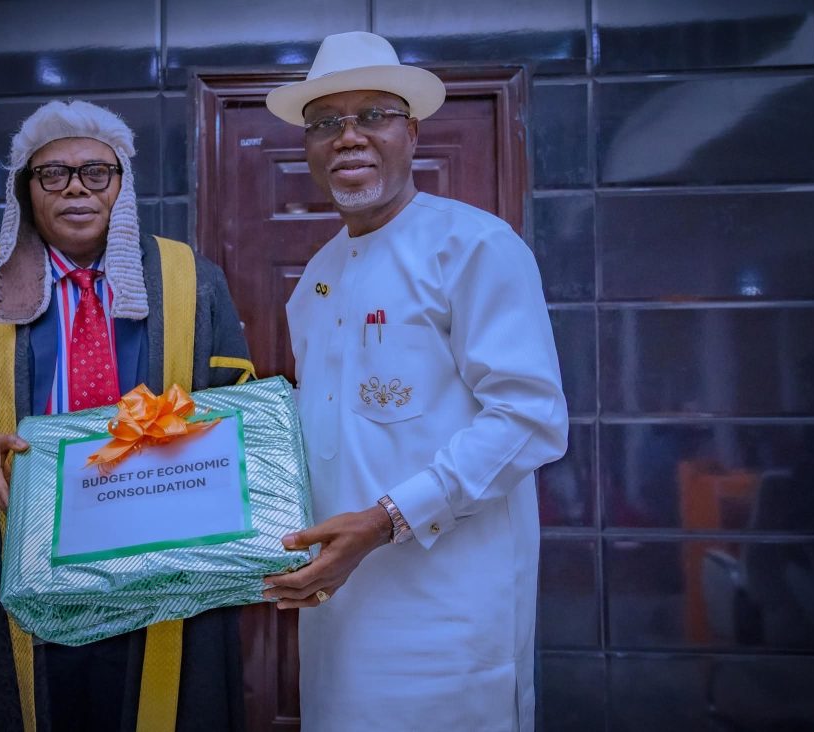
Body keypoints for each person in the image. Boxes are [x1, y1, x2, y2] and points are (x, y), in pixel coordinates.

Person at [0, 100, 253, 731]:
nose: (76, 187)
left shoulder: (191, 279)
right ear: (25, 191)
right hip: (23, 545)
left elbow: (237, 407)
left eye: (96, 172)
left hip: (158, 549)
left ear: (122, 185)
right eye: (52, 174)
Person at [263, 32, 568, 731]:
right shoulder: (316, 279)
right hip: (337, 604)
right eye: (326, 122)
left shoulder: (476, 247)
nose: (348, 137)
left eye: (373, 115)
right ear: (308, 148)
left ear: (412, 133)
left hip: (449, 611)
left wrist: (385, 520)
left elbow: (529, 419)